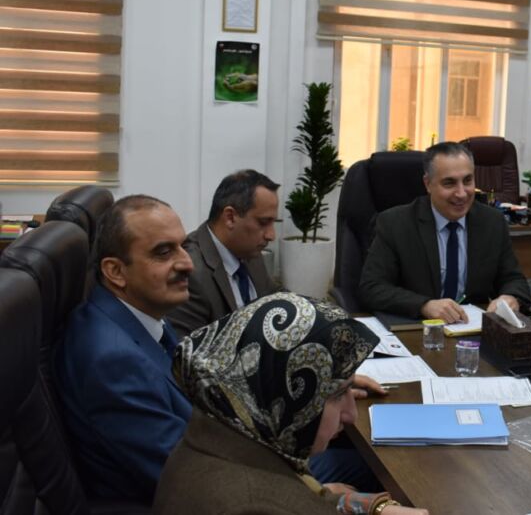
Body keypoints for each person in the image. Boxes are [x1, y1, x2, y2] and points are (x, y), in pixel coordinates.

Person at [154, 293, 428, 515]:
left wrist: (374, 507)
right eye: (335, 394)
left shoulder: (226, 435)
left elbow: (297, 492)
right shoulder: (250, 504)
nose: (350, 414)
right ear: (285, 393)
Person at [55, 194, 194, 501]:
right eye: (163, 252)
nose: (187, 263)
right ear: (115, 272)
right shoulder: (114, 361)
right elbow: (185, 478)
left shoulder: (141, 312)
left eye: (183, 246)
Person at [357, 141, 531, 323]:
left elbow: (514, 280)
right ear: (428, 184)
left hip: (471, 328)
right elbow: (371, 288)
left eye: (467, 181)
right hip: (416, 328)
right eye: (449, 183)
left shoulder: (492, 222)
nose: (461, 193)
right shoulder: (395, 223)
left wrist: (511, 297)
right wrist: (424, 305)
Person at [168, 169, 280, 338]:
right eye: (263, 222)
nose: (271, 235)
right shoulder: (190, 272)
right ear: (230, 217)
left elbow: (273, 294)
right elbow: (189, 351)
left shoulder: (249, 250)